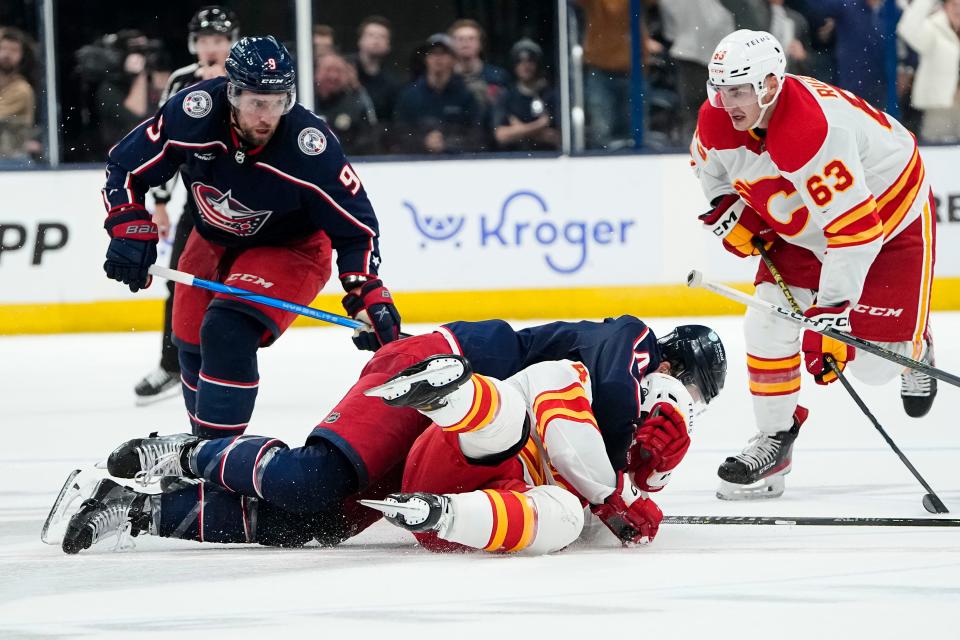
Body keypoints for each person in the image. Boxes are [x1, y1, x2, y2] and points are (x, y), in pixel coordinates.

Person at [48, 316, 726, 554]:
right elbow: (603, 392)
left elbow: (575, 480)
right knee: (312, 478)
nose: (682, 403)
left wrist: (634, 484)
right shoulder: (633, 346)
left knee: (311, 523)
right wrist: (620, 496)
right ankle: (190, 453)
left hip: (452, 436)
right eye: (689, 386)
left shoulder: (630, 418)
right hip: (436, 374)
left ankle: (135, 510)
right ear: (673, 363)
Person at [100, 36, 402, 440]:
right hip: (209, 239)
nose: (266, 116)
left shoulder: (309, 147)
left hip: (290, 248)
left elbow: (356, 228)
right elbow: (125, 166)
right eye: (255, 101)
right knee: (189, 344)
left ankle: (217, 464)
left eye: (277, 102)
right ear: (232, 92)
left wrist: (365, 289)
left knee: (227, 331)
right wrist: (129, 224)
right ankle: (207, 450)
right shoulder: (193, 111)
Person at [691, 29, 937, 501]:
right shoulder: (718, 117)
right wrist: (727, 208)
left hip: (886, 217)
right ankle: (775, 440)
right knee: (766, 320)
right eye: (719, 88)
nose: (727, 101)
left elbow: (855, 231)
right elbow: (709, 169)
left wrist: (831, 315)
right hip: (808, 222)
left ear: (768, 84)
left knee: (871, 366)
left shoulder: (813, 129)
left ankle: (914, 350)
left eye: (738, 89)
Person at [362, 347, 714, 554]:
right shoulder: (571, 376)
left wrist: (648, 478)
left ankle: (440, 513)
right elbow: (569, 447)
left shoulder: (609, 478)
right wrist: (623, 495)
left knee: (568, 519)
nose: (635, 438)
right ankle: (444, 399)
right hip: (458, 454)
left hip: (456, 529)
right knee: (509, 425)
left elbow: (595, 530)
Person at [134, 6, 240, 405]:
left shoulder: (247, 80)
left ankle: (227, 365)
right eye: (205, 40)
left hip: (248, 203)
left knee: (237, 284)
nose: (212, 48)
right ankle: (172, 364)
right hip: (198, 202)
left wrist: (223, 89)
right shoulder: (181, 81)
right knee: (180, 279)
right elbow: (165, 145)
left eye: (219, 40)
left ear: (231, 42)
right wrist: (159, 203)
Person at [392, 33, 484, 154]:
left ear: (453, 59)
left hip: (457, 163)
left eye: (443, 53)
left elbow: (476, 137)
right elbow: (399, 135)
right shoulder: (409, 95)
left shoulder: (465, 96)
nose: (438, 58)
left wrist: (447, 144)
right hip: (417, 164)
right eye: (433, 53)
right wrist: (424, 142)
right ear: (426, 59)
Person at [897, 0, 960, 143]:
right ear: (945, 6)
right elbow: (908, 28)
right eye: (954, 5)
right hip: (939, 110)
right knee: (938, 156)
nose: (958, 10)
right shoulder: (933, 29)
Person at [492, 39, 560, 152]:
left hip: (547, 158)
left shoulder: (551, 95)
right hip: (513, 158)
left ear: (538, 63)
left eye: (530, 60)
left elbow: (560, 138)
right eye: (519, 61)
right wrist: (539, 126)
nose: (525, 66)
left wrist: (518, 130)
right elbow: (501, 136)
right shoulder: (507, 96)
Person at [314, 53, 379, 154]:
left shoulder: (357, 104)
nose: (333, 76)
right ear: (316, 73)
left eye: (339, 71)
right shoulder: (304, 101)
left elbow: (368, 142)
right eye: (328, 70)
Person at [346, 16, 404, 124]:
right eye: (371, 35)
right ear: (360, 41)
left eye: (382, 37)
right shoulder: (343, 70)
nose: (376, 41)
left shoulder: (391, 84)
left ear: (388, 45)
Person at [447, 19, 508, 109]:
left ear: (480, 43)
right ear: (451, 44)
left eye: (471, 38)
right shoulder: (445, 78)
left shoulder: (498, 76)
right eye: (460, 39)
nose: (465, 43)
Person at [0, 27, 37, 160]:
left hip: (13, 160)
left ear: (22, 56)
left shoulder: (21, 89)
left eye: (14, 50)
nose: (7, 54)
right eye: (3, 48)